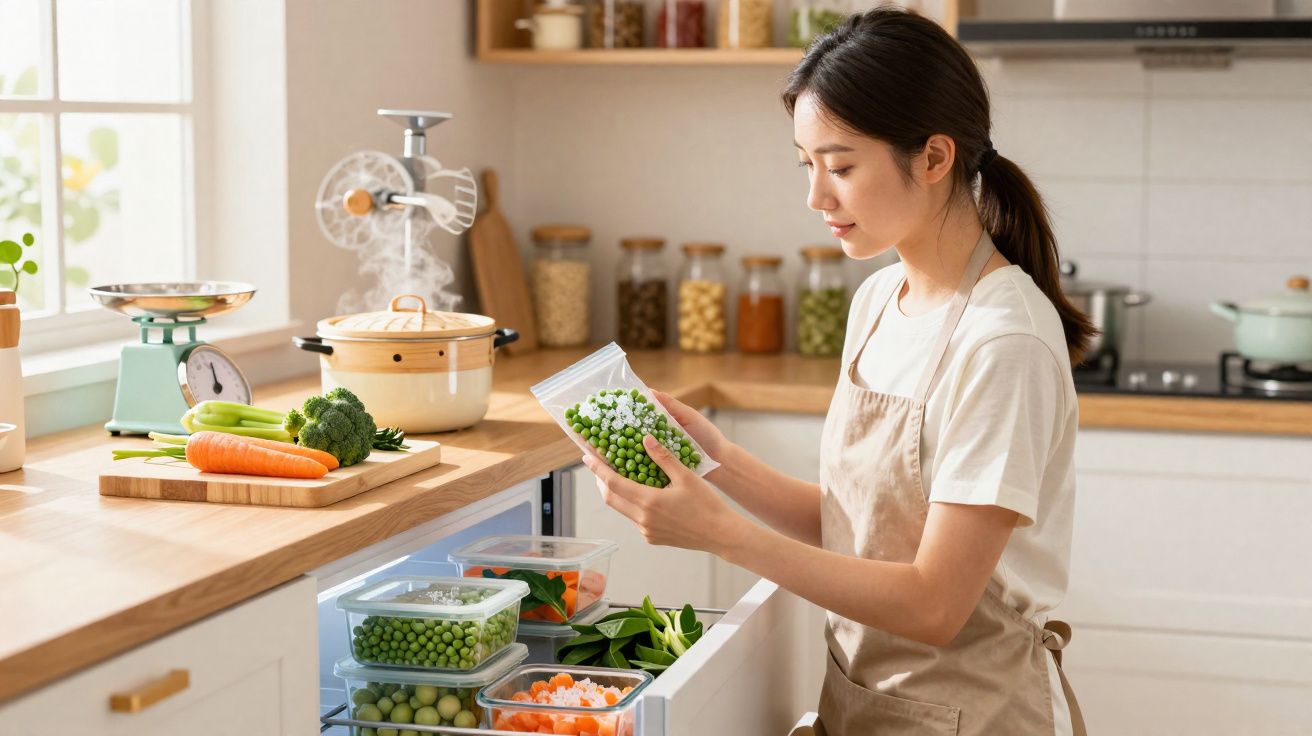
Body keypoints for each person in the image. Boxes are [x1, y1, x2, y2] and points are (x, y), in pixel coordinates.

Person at [582, 7, 1092, 735]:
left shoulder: (1003, 342)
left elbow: (934, 604)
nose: (817, 198)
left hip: (975, 716)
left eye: (842, 167)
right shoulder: (881, 299)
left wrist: (723, 534)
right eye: (808, 165)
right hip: (863, 701)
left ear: (935, 158)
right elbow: (860, 524)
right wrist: (717, 461)